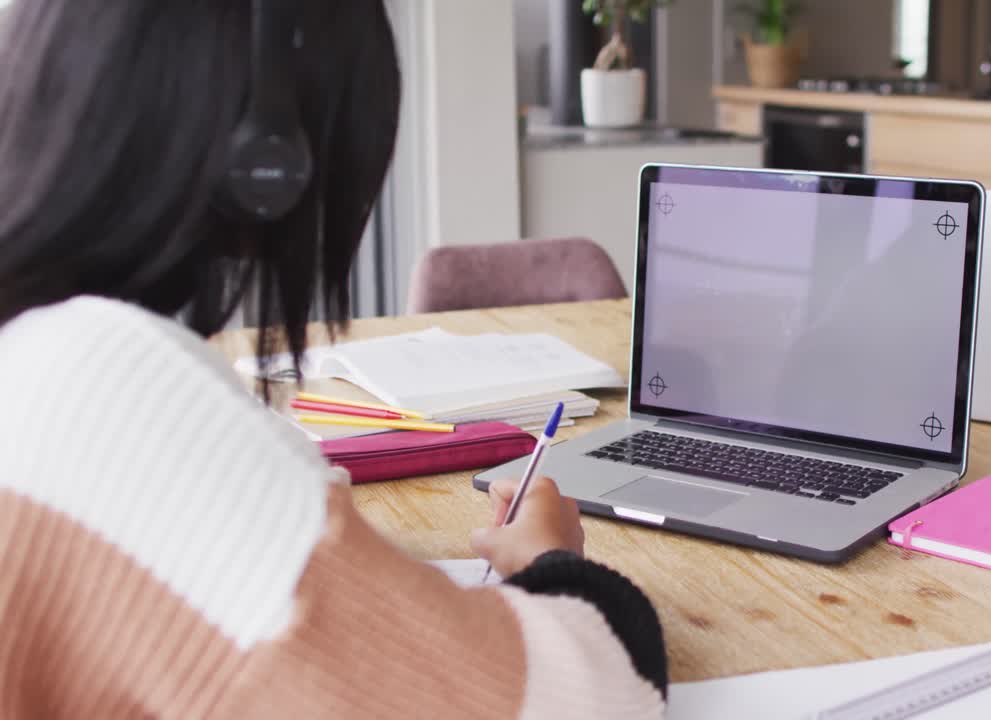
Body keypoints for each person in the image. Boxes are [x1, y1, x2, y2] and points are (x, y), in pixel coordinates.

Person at [0, 2, 666, 718]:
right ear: (268, 161)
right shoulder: (104, 385)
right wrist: (551, 563)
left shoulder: (38, 353)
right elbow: (591, 697)